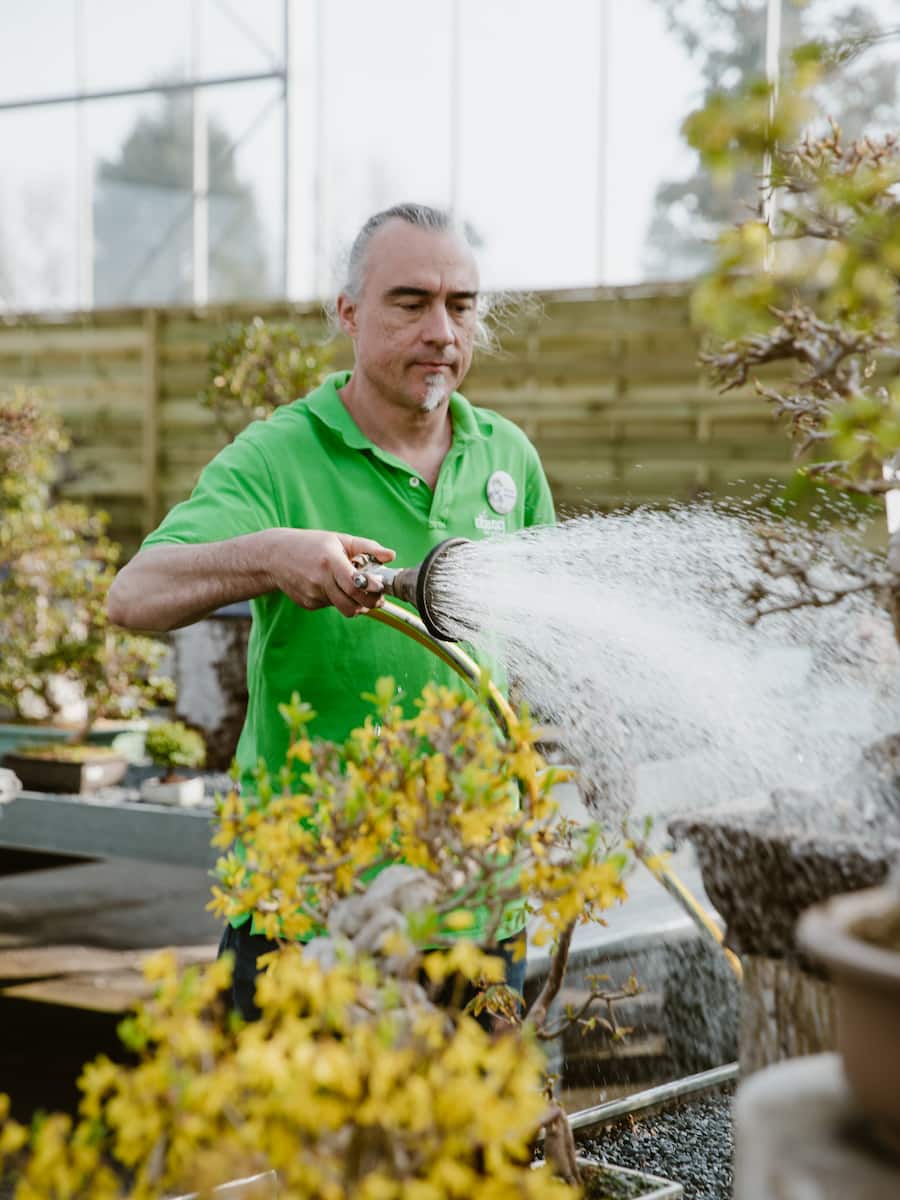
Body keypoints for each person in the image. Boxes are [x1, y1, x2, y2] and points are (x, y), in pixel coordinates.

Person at [108, 202, 555, 1020]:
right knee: (302, 1149)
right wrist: (269, 555)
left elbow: (536, 654)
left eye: (461, 305)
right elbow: (134, 595)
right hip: (310, 905)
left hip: (476, 901)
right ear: (348, 313)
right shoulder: (279, 456)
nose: (442, 331)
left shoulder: (507, 460)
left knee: (467, 1147)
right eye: (410, 301)